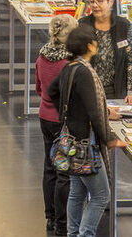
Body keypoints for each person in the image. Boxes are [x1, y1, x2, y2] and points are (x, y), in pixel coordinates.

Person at [47, 26, 128, 237]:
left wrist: (67, 114)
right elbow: (94, 112)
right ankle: (85, 234)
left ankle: (73, 233)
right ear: (90, 46)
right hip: (85, 144)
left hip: (72, 142)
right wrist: (109, 139)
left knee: (77, 191)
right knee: (102, 195)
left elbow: (51, 91)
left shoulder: (69, 67)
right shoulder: (84, 72)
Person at [36, 15, 78, 236]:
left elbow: (39, 88)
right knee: (64, 172)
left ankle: (50, 217)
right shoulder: (69, 63)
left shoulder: (42, 56)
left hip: (44, 116)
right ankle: (62, 222)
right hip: (62, 121)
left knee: (49, 167)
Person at [78, 0, 132, 104]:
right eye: (91, 2)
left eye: (100, 1)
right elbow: (77, 59)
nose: (95, 5)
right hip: (88, 90)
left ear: (110, 2)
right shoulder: (82, 25)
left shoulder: (123, 25)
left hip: (115, 91)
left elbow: (131, 60)